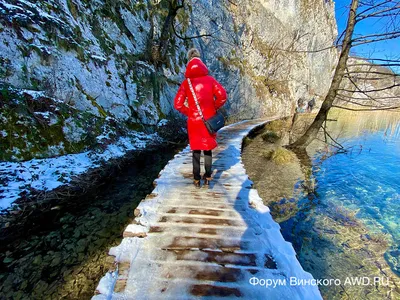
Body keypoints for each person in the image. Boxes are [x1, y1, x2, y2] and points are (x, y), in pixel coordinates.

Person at [174, 48, 227, 188]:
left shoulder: (187, 83)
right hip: (208, 121)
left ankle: (196, 180)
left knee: (196, 151)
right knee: (207, 150)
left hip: (194, 122)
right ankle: (208, 177)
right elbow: (223, 96)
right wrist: (213, 107)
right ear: (201, 63)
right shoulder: (210, 80)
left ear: (189, 63)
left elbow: (177, 104)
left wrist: (190, 112)